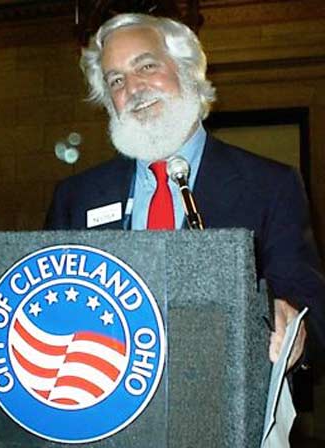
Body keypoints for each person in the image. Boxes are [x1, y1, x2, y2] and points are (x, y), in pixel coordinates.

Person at [45, 13, 325, 368]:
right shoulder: (76, 198)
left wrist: (293, 324)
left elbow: (312, 311)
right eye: (116, 80)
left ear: (188, 70)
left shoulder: (270, 185)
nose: (132, 89)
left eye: (146, 66)